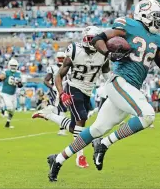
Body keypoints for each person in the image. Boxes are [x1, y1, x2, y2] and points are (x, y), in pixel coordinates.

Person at [46, 0, 160, 182]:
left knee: (97, 128)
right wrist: (108, 53)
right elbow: (99, 37)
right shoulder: (129, 25)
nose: (159, 21)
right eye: (156, 17)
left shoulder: (158, 38)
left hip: (131, 89)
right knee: (148, 115)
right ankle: (104, 144)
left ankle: (57, 159)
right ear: (144, 15)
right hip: (119, 81)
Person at [32, 26, 110, 168]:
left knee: (75, 127)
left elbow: (107, 74)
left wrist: (113, 87)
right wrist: (62, 93)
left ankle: (49, 115)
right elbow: (59, 75)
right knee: (82, 118)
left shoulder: (103, 54)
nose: (93, 43)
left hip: (88, 90)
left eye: (95, 40)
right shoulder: (75, 50)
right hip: (73, 87)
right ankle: (80, 156)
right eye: (91, 40)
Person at [43, 51, 68, 135]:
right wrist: (52, 87)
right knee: (61, 109)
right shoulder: (53, 67)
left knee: (59, 109)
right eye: (59, 58)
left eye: (62, 58)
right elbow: (46, 80)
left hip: (66, 89)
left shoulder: (70, 67)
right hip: (56, 90)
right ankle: (62, 129)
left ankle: (47, 113)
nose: (61, 59)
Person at [0, 58, 23, 128]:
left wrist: (19, 84)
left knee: (13, 110)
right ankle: (3, 110)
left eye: (15, 65)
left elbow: (20, 85)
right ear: (9, 65)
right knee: (10, 108)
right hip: (5, 93)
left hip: (13, 94)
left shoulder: (18, 73)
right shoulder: (6, 72)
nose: (13, 67)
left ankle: (8, 122)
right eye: (12, 65)